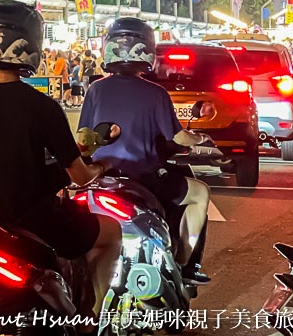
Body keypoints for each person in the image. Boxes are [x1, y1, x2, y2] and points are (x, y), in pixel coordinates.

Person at [0, 1, 120, 336]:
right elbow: (79, 176)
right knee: (110, 234)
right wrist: (99, 166)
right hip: (32, 221)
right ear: (31, 46)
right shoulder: (43, 107)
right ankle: (87, 326)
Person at [78, 17, 211, 284]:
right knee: (200, 193)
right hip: (144, 177)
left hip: (103, 178)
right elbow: (179, 137)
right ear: (147, 50)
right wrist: (201, 139)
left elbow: (83, 138)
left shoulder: (96, 89)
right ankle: (184, 264)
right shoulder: (155, 93)